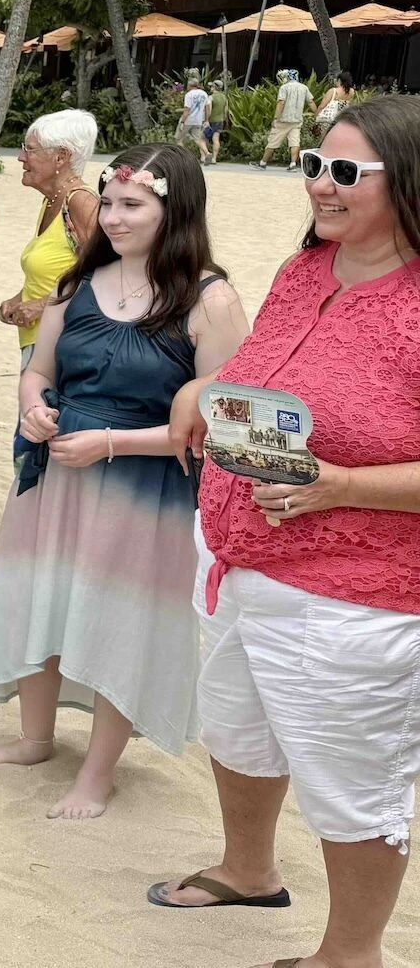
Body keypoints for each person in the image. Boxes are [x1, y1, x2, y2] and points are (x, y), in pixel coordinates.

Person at [150, 97, 420, 968]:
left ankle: (350, 955)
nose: (319, 185)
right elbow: (257, 370)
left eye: (345, 172)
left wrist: (338, 485)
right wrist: (202, 391)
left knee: (352, 784)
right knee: (238, 729)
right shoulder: (309, 268)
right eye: (313, 162)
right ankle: (249, 866)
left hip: (353, 596)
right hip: (237, 558)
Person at [0, 144, 250, 820]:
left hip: (145, 489)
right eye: (111, 203)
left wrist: (115, 444)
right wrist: (31, 406)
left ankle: (97, 772)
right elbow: (40, 370)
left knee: (121, 621)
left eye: (132, 205)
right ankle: (35, 739)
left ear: (173, 209)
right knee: (44, 598)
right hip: (56, 474)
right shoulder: (77, 286)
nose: (113, 219)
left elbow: (225, 420)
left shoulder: (212, 300)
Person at [0, 110, 99, 372]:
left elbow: (103, 278)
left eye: (29, 149)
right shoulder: (52, 201)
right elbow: (58, 273)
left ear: (61, 156)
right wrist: (20, 299)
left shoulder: (81, 203)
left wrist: (41, 306)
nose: (21, 157)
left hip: (63, 347)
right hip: (41, 343)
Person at [255, 69, 313, 170]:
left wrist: (276, 118)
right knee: (295, 142)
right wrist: (317, 114)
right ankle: (293, 164)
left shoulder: (284, 87)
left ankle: (263, 162)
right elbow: (311, 101)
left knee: (273, 141)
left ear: (288, 77)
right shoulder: (304, 88)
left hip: (283, 120)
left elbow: (281, 102)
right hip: (297, 120)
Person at [314, 69, 355, 139]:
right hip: (341, 119)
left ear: (340, 81)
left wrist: (316, 115)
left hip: (328, 119)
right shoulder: (351, 92)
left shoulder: (333, 91)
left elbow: (322, 105)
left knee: (324, 138)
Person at [177, 76, 210, 163]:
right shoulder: (204, 94)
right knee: (197, 138)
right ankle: (207, 152)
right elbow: (207, 108)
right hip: (198, 120)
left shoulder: (189, 95)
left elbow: (187, 110)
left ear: (190, 85)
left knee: (179, 139)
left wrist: (182, 122)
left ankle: (183, 158)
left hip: (189, 119)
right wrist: (206, 119)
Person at [207, 78, 231, 165]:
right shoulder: (224, 97)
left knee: (203, 137)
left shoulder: (211, 97)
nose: (211, 88)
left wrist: (206, 119)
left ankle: (205, 155)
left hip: (211, 120)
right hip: (220, 121)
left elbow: (209, 109)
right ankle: (214, 158)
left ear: (214, 87)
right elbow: (226, 111)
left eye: (212, 86)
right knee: (216, 139)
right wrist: (226, 121)